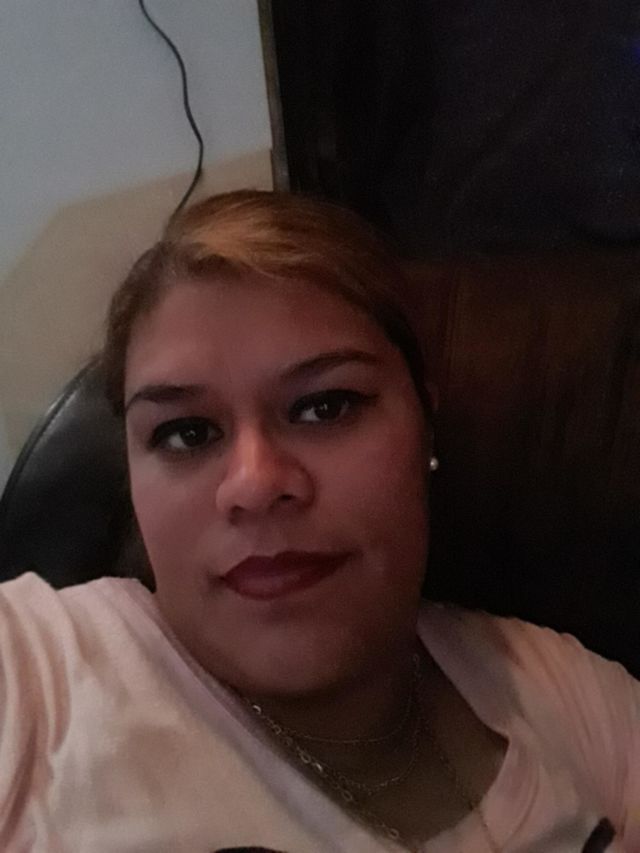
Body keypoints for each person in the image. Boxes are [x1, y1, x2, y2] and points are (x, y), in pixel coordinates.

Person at [0, 190, 638, 853]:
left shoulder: (568, 696)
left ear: (424, 422)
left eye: (325, 407)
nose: (254, 485)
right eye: (187, 433)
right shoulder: (35, 683)